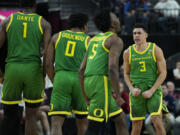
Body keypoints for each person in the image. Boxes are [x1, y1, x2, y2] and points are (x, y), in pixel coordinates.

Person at [0, 7, 52, 135]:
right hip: (33, 70)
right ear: (34, 6)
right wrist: (43, 74)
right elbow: (46, 54)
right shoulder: (43, 23)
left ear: (20, 7)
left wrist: (0, 72)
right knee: (32, 118)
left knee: (9, 116)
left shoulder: (8, 20)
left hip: (12, 69)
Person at [79, 10, 129, 135]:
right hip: (101, 84)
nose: (118, 18)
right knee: (94, 127)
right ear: (112, 23)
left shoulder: (93, 40)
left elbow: (81, 70)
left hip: (89, 81)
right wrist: (118, 95)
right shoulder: (114, 40)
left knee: (121, 119)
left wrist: (85, 96)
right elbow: (112, 68)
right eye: (115, 17)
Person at [46, 13, 90, 135]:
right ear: (84, 25)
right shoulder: (88, 40)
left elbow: (48, 64)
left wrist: (55, 80)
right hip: (80, 80)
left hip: (61, 77)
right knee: (83, 123)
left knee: (56, 123)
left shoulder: (57, 36)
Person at [123, 23, 167, 135]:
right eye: (134, 33)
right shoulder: (127, 52)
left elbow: (163, 73)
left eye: (139, 33)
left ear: (146, 35)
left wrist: (152, 90)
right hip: (136, 91)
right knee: (136, 124)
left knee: (156, 120)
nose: (136, 35)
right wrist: (131, 89)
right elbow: (126, 73)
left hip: (153, 89)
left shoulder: (155, 49)